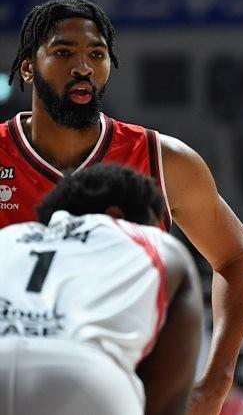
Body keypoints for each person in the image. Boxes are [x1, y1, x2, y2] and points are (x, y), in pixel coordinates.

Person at [2, 0, 243, 413]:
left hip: (125, 388)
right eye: (64, 52)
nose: (83, 67)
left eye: (96, 54)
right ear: (28, 67)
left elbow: (235, 257)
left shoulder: (165, 159)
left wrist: (216, 380)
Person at [0, 164, 203, 415]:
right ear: (117, 215)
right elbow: (167, 403)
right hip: (87, 373)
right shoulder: (150, 242)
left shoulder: (7, 237)